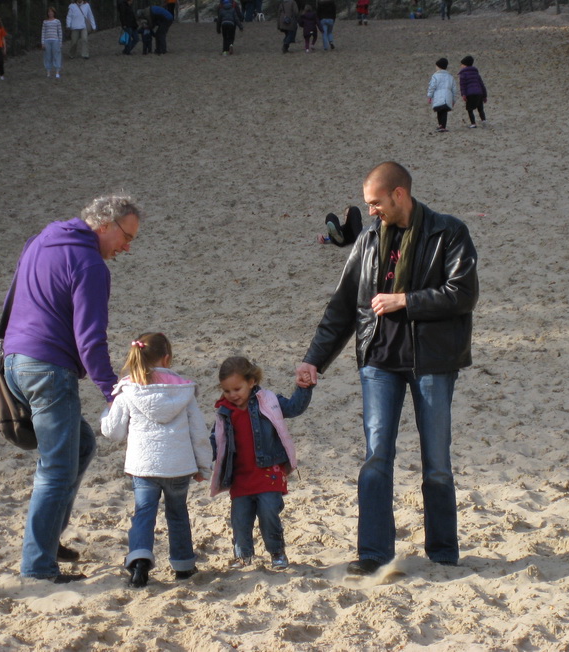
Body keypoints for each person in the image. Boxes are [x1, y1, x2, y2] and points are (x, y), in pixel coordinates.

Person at [296, 161, 478, 576]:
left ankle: (443, 552)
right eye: (367, 204)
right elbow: (342, 308)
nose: (371, 210)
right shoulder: (366, 241)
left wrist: (406, 301)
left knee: (436, 462)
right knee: (376, 456)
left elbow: (463, 293)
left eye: (375, 202)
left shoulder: (448, 232)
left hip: (432, 362)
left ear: (399, 194)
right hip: (378, 362)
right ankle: (374, 553)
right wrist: (313, 359)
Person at [3, 195, 142, 584]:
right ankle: (38, 567)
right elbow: (91, 338)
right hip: (48, 369)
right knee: (56, 467)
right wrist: (112, 391)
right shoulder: (91, 265)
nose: (127, 247)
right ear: (106, 225)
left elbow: (12, 298)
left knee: (81, 446)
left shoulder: (42, 239)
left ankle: (47, 539)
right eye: (126, 237)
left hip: (14, 362)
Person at [101, 333, 212, 588]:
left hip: (143, 466)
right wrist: (203, 465)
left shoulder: (128, 389)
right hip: (179, 466)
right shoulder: (183, 389)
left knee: (143, 514)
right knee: (177, 514)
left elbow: (113, 432)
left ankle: (139, 560)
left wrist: (106, 411)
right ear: (167, 358)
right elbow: (198, 432)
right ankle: (184, 565)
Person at [210, 357, 312, 570]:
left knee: (268, 513)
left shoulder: (268, 401)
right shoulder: (224, 411)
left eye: (237, 389)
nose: (232, 395)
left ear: (252, 381)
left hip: (268, 473)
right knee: (240, 519)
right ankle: (242, 555)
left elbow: (294, 408)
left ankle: (277, 552)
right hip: (240, 476)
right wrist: (201, 463)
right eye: (227, 391)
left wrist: (304, 387)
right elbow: (215, 441)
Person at [427, 57, 456, 132]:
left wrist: (429, 96)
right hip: (447, 96)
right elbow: (454, 89)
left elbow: (432, 86)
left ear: (439, 67)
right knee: (444, 111)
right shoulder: (450, 77)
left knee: (439, 110)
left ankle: (442, 125)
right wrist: (453, 99)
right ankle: (441, 125)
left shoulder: (435, 76)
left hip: (438, 96)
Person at [459, 55, 488, 128]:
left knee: (469, 109)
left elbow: (463, 85)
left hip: (470, 93)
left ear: (465, 65)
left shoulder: (463, 74)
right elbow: (481, 84)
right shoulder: (476, 73)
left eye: (462, 64)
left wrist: (464, 94)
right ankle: (484, 120)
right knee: (480, 108)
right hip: (479, 93)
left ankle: (473, 123)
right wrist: (484, 95)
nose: (461, 66)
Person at [41, 7, 64, 79]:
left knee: (56, 55)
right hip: (47, 40)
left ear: (54, 13)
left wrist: (60, 42)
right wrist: (42, 42)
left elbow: (60, 32)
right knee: (48, 56)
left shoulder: (57, 21)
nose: (50, 13)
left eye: (51, 12)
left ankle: (57, 72)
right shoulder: (45, 22)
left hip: (55, 40)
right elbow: (43, 32)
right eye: (49, 12)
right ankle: (48, 72)